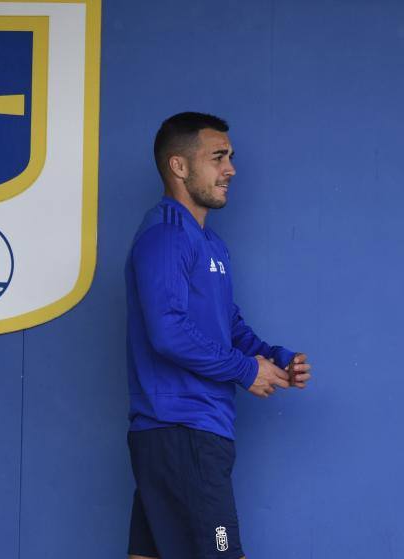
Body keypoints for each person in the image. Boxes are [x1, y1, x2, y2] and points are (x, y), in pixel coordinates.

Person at [125, 112, 312, 559]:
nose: (230, 169)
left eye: (230, 157)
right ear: (179, 167)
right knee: (223, 555)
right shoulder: (166, 236)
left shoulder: (211, 244)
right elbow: (167, 331)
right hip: (183, 433)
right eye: (218, 157)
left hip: (184, 437)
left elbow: (228, 327)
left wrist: (274, 358)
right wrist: (247, 370)